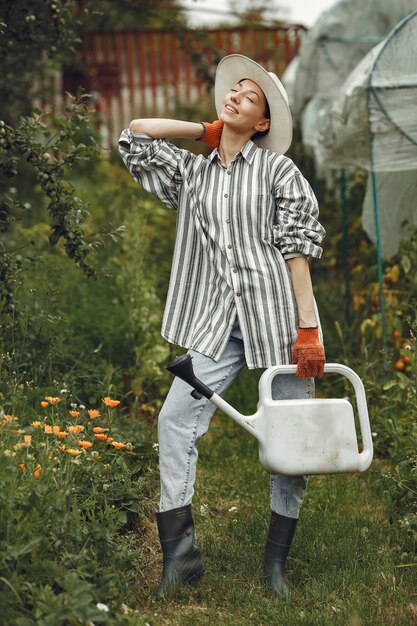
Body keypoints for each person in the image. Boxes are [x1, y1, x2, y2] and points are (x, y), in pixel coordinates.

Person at [118, 54, 326, 598]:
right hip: (215, 321)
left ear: (262, 123)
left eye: (249, 96)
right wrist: (202, 132)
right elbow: (135, 136)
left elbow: (297, 247)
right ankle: (181, 559)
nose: (234, 96)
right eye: (231, 90)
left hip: (278, 322)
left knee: (291, 443)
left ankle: (276, 567)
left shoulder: (279, 172)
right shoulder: (192, 172)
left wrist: (308, 328)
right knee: (173, 421)